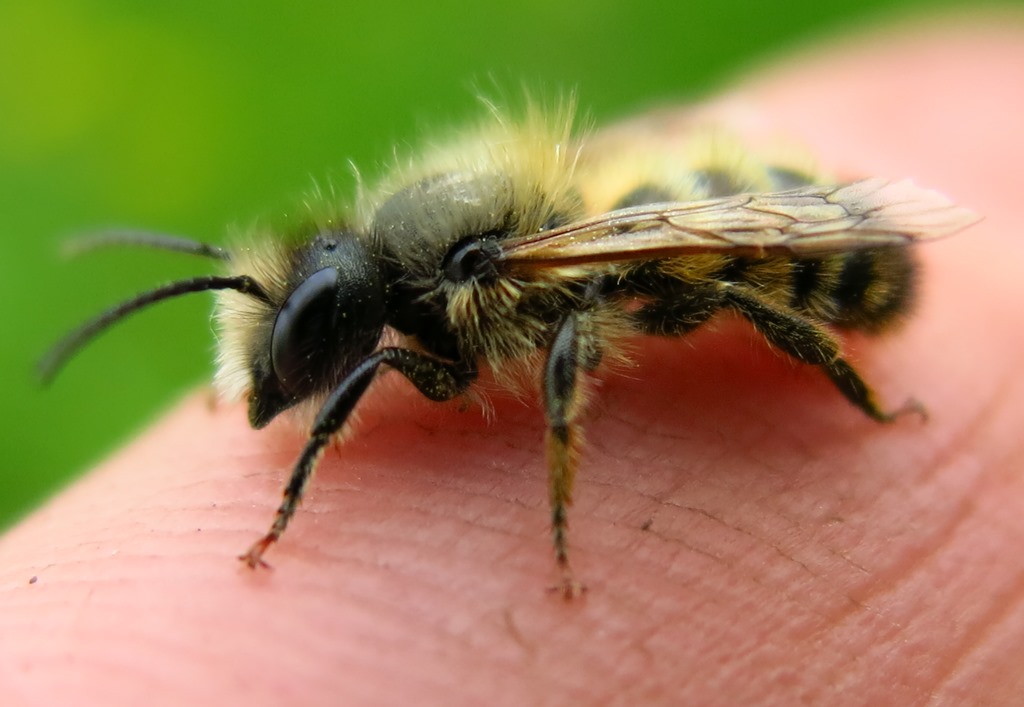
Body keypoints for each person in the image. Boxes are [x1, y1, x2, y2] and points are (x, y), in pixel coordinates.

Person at [2, 18, 1022, 704]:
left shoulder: (471, 277)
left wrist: (294, 516)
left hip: (803, 240)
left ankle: (860, 407)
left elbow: (540, 331)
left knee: (699, 288)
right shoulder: (406, 275)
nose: (316, 364)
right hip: (657, 189)